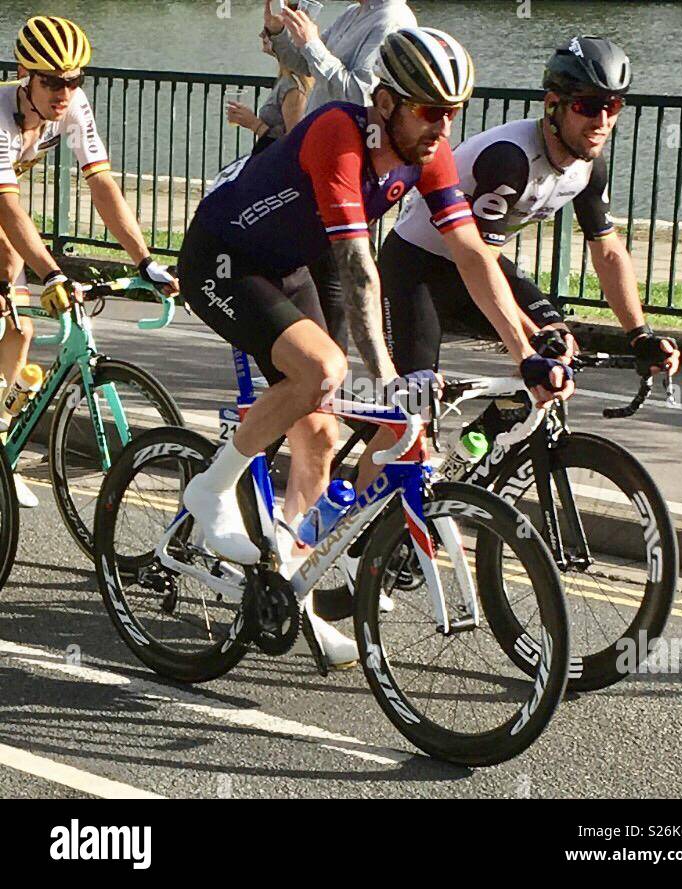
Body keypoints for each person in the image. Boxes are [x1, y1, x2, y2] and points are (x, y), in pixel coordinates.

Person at [177, 28, 573, 667]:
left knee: (324, 436)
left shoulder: (430, 152)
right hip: (223, 257)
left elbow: (473, 253)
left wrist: (524, 350)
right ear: (385, 102)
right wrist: (388, 377)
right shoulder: (339, 132)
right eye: (429, 110)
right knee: (322, 369)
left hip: (292, 264)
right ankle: (212, 489)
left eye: (453, 112)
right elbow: (361, 271)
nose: (443, 126)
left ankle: (292, 588)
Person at [378, 35, 681, 414]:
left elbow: (607, 252)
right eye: (587, 106)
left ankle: (490, 453)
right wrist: (529, 337)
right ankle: (374, 466)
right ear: (553, 105)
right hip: (416, 268)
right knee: (413, 407)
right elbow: (480, 260)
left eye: (612, 105)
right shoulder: (510, 159)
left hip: (475, 264)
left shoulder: (588, 167)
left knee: (559, 351)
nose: (602, 121)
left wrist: (640, 335)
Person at [0, 16, 178, 507]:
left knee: (22, 328)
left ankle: (1, 449)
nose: (65, 91)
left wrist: (144, 261)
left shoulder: (73, 106)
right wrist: (53, 272)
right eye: (53, 81)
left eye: (74, 80)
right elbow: (7, 206)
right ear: (24, 74)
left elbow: (101, 183)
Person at [263, 0, 418, 356]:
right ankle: (312, 369)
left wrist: (313, 44)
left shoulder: (391, 20)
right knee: (309, 265)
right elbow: (304, 65)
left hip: (353, 159)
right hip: (319, 154)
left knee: (333, 272)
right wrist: (279, 31)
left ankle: (330, 375)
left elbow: (363, 95)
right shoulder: (354, 12)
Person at [227, 17, 312, 156]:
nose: (261, 34)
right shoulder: (285, 79)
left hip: (278, 171)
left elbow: (293, 147)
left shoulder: (294, 88)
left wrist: (254, 124)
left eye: (268, 31)